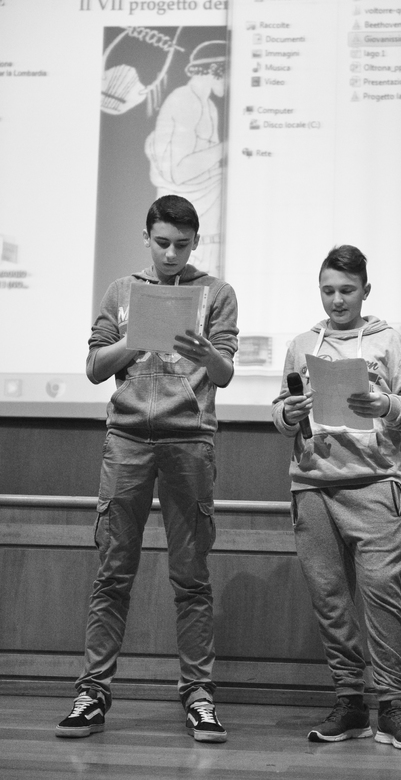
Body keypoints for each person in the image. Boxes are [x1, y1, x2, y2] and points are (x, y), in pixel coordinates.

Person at [56, 195, 238, 743]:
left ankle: (199, 696)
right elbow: (94, 367)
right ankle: (92, 692)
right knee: (113, 571)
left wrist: (205, 353)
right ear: (146, 237)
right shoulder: (121, 291)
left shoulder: (217, 293)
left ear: (196, 242)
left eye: (182, 244)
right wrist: (133, 341)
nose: (172, 253)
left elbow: (225, 373)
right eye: (162, 243)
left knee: (191, 577)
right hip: (128, 439)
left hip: (190, 441)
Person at [272, 245, 401, 751]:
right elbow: (280, 411)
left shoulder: (388, 341)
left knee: (383, 593)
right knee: (330, 599)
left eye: (346, 290)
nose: (337, 300)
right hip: (313, 484)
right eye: (328, 291)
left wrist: (384, 404)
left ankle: (392, 706)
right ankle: (350, 703)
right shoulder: (302, 344)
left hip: (375, 482)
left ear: (366, 290)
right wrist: (289, 413)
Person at [144, 41, 227, 277]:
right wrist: (227, 149)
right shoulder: (185, 100)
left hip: (203, 215)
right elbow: (178, 172)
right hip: (182, 210)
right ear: (214, 70)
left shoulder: (208, 105)